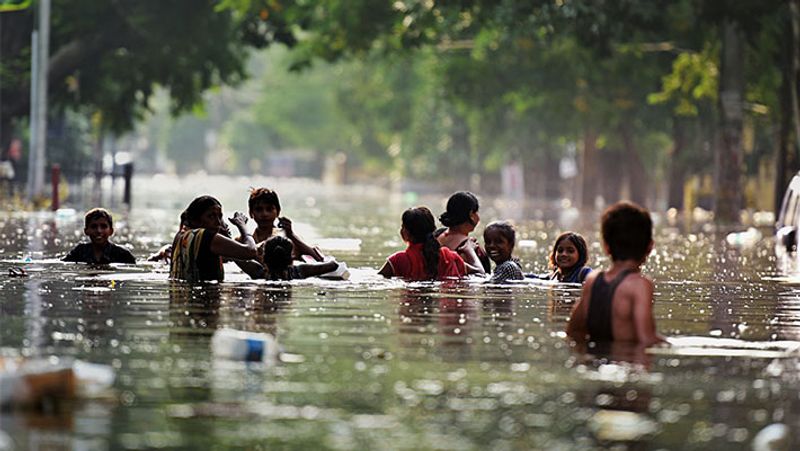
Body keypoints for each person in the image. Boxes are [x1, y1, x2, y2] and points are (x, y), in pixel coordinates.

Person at [566, 202, 665, 346]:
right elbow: (646, 340)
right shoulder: (640, 285)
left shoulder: (592, 280)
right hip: (625, 363)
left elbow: (573, 331)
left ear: (606, 247)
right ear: (650, 247)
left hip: (594, 363)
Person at [169, 195, 257, 282]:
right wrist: (242, 226)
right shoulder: (205, 236)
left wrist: (226, 238)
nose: (218, 222)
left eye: (220, 216)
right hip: (204, 295)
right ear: (196, 220)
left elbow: (253, 268)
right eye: (211, 216)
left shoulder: (180, 236)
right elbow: (251, 252)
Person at [379, 206, 467, 281]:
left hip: (410, 299)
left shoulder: (397, 260)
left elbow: (378, 278)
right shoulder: (452, 258)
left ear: (406, 232)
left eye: (402, 226)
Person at [248, 187, 323, 261]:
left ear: (278, 212)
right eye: (259, 209)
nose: (264, 214)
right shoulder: (245, 240)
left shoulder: (288, 239)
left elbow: (319, 259)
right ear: (251, 213)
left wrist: (291, 235)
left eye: (269, 209)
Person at [436, 191, 489, 275]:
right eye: (476, 212)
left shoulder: (435, 237)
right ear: (471, 214)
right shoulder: (472, 249)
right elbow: (483, 277)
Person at [63, 208, 136, 264]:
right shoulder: (79, 251)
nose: (99, 231)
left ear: (111, 231)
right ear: (86, 231)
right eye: (94, 226)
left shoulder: (122, 254)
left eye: (103, 226)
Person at [258, 236, 342, 280]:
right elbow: (334, 265)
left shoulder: (257, 272)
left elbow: (245, 258)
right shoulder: (300, 271)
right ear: (291, 259)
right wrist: (322, 257)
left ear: (264, 259)